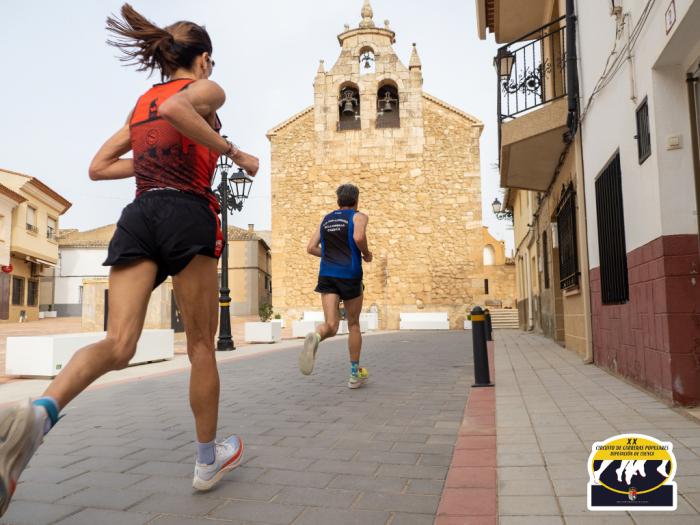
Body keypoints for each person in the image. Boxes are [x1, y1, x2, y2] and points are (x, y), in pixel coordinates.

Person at [0, 4, 259, 515]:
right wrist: (234, 151)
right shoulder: (206, 91)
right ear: (203, 60)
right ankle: (207, 461)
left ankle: (39, 414)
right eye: (211, 60)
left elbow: (98, 167)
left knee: (117, 344)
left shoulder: (141, 103)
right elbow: (178, 112)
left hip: (140, 213)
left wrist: (149, 156)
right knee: (202, 344)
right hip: (186, 212)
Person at [299, 184, 372, 389]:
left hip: (327, 275)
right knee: (353, 324)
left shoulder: (326, 219)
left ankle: (316, 336)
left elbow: (311, 248)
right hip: (349, 275)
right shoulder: (359, 217)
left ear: (338, 200)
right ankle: (354, 374)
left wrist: (330, 253)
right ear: (356, 200)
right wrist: (366, 253)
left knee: (331, 325)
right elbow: (358, 237)